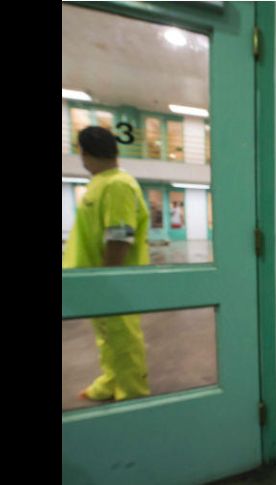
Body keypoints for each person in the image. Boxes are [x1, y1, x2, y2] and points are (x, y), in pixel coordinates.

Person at [62, 126, 151, 402]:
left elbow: (119, 236)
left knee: (123, 338)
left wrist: (107, 278)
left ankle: (133, 393)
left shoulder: (118, 184)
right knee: (107, 336)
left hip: (112, 281)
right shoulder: (100, 183)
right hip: (96, 279)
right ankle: (111, 381)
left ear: (83, 152)